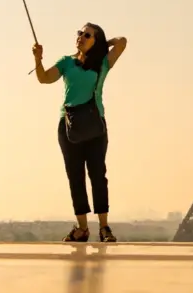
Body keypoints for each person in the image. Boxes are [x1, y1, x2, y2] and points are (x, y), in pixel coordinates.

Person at [33, 23, 128, 243]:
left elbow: (122, 42)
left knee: (97, 175)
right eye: (79, 33)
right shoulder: (67, 62)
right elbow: (44, 78)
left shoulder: (102, 63)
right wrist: (38, 59)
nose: (81, 37)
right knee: (75, 177)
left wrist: (105, 44)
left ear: (96, 40)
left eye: (87, 35)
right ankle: (82, 227)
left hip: (95, 125)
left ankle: (104, 227)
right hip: (69, 125)